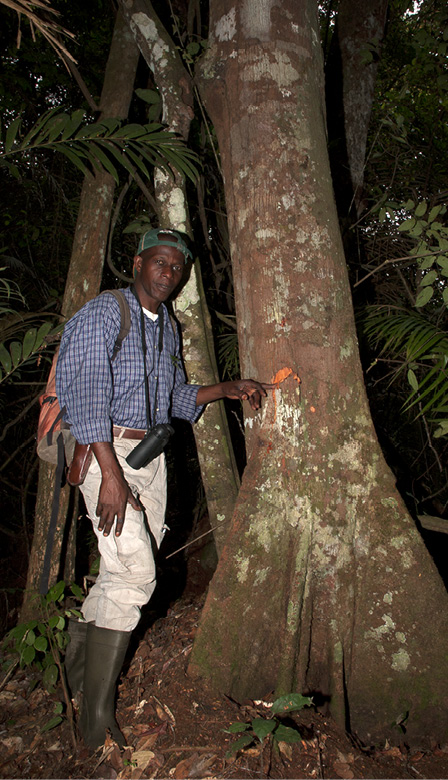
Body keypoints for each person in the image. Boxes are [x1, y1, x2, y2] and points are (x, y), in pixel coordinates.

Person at [56, 227, 272, 750]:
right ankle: (95, 722)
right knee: (137, 572)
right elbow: (84, 391)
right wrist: (109, 476)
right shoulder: (107, 312)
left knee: (117, 573)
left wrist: (226, 388)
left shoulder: (166, 327)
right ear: (137, 262)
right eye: (160, 262)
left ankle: (68, 687)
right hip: (104, 455)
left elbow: (173, 396)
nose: (168, 272)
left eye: (177, 267)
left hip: (149, 462)